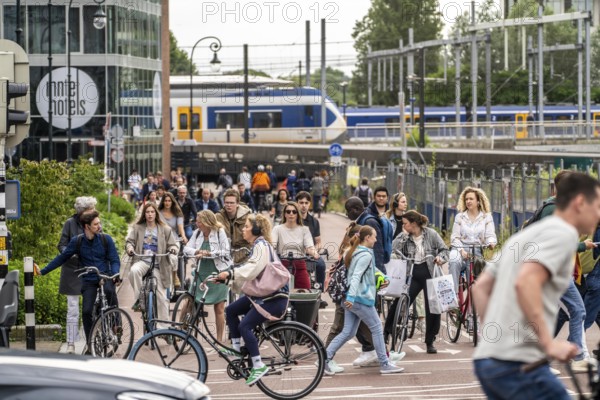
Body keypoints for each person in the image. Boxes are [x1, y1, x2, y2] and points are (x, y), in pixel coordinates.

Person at [472, 172, 600, 399]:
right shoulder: (564, 232)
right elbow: (527, 281)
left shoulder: (526, 234)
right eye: (597, 206)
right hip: (520, 364)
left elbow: (480, 287)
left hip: (488, 361)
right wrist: (548, 344)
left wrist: (495, 338)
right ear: (580, 202)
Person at [217, 214, 290, 386]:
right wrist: (226, 277)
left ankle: (258, 365)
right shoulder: (258, 246)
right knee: (231, 310)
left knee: (245, 326)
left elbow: (251, 269)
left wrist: (230, 273)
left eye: (246, 226)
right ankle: (237, 349)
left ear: (256, 230)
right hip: (263, 296)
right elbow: (249, 273)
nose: (243, 229)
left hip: (274, 299)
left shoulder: (261, 246)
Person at [324, 225, 404, 376]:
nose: (376, 239)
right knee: (376, 328)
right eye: (374, 236)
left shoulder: (355, 251)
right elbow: (356, 276)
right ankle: (385, 364)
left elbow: (370, 269)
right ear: (367, 238)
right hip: (360, 298)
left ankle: (325, 360)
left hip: (353, 297)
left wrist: (383, 277)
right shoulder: (365, 255)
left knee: (348, 331)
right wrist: (351, 298)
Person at [38, 210, 120, 343]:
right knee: (87, 311)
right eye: (95, 224)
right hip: (89, 280)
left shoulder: (106, 239)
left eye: (99, 223)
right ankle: (90, 343)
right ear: (87, 227)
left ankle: (116, 324)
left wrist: (115, 273)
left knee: (110, 291)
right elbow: (62, 258)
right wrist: (43, 271)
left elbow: (114, 259)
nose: (99, 226)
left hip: (105, 277)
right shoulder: (77, 242)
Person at [390, 210, 449, 354]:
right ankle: (388, 331)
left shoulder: (431, 234)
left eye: (405, 224)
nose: (403, 226)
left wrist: (440, 258)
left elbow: (444, 250)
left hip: (429, 271)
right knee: (400, 301)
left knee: (433, 307)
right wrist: (403, 236)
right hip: (412, 273)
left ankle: (430, 340)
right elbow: (393, 248)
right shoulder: (405, 236)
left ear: (414, 223)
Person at [126, 203, 178, 328]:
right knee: (133, 271)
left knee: (161, 298)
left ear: (156, 214)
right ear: (144, 214)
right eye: (147, 212)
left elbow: (173, 244)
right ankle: (140, 300)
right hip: (143, 261)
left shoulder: (165, 229)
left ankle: (164, 329)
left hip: (159, 264)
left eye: (152, 212)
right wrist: (130, 248)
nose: (150, 214)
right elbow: (130, 242)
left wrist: (173, 249)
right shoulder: (138, 227)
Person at [57, 196, 97, 354]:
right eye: (90, 210)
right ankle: (71, 343)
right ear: (82, 212)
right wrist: (71, 254)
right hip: (72, 271)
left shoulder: (95, 222)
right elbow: (61, 244)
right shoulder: (69, 223)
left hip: (89, 270)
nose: (93, 213)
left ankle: (90, 342)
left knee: (90, 309)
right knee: (72, 309)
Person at [184, 210, 231, 342]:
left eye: (199, 222)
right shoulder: (197, 232)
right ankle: (181, 331)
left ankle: (219, 339)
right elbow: (186, 249)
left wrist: (209, 253)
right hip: (201, 271)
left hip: (218, 271)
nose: (197, 224)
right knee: (189, 301)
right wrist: (197, 251)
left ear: (207, 222)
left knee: (219, 308)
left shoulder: (219, 232)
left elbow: (225, 251)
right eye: (197, 222)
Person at [448, 186, 497, 294]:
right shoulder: (460, 217)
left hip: (477, 250)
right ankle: (453, 298)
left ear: (478, 201)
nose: (468, 201)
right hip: (459, 249)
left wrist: (491, 243)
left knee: (485, 273)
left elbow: (490, 235)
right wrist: (461, 250)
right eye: (466, 199)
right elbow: (454, 237)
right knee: (453, 261)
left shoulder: (486, 217)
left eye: (471, 199)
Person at [271, 201, 318, 290]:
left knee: (306, 293)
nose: (291, 214)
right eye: (288, 211)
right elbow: (272, 245)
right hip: (281, 267)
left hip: (300, 266)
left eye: (294, 211)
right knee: (274, 294)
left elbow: (309, 246)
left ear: (297, 214)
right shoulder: (277, 229)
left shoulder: (304, 229)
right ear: (284, 214)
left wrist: (314, 253)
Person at [295, 191, 327, 305]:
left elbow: (318, 242)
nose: (304, 205)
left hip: (311, 254)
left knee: (321, 264)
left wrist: (316, 251)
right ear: (297, 203)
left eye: (306, 203)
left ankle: (319, 294)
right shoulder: (292, 219)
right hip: (294, 255)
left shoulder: (314, 221)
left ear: (310, 204)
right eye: (301, 202)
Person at [345, 197, 387, 273]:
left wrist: (378, 273)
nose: (346, 214)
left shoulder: (369, 222)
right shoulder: (362, 220)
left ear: (356, 209)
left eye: (348, 210)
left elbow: (377, 249)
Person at [216, 189, 253, 264]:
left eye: (232, 203)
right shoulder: (218, 217)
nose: (229, 205)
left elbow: (253, 238)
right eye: (227, 202)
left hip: (243, 254)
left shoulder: (247, 217)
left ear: (237, 203)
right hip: (223, 254)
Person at [159, 192, 187, 289]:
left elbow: (180, 227)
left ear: (172, 202)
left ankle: (175, 276)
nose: (167, 203)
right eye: (165, 201)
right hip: (160, 239)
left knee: (174, 257)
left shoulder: (177, 213)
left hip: (174, 239)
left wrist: (183, 236)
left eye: (169, 201)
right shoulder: (158, 213)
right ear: (163, 202)